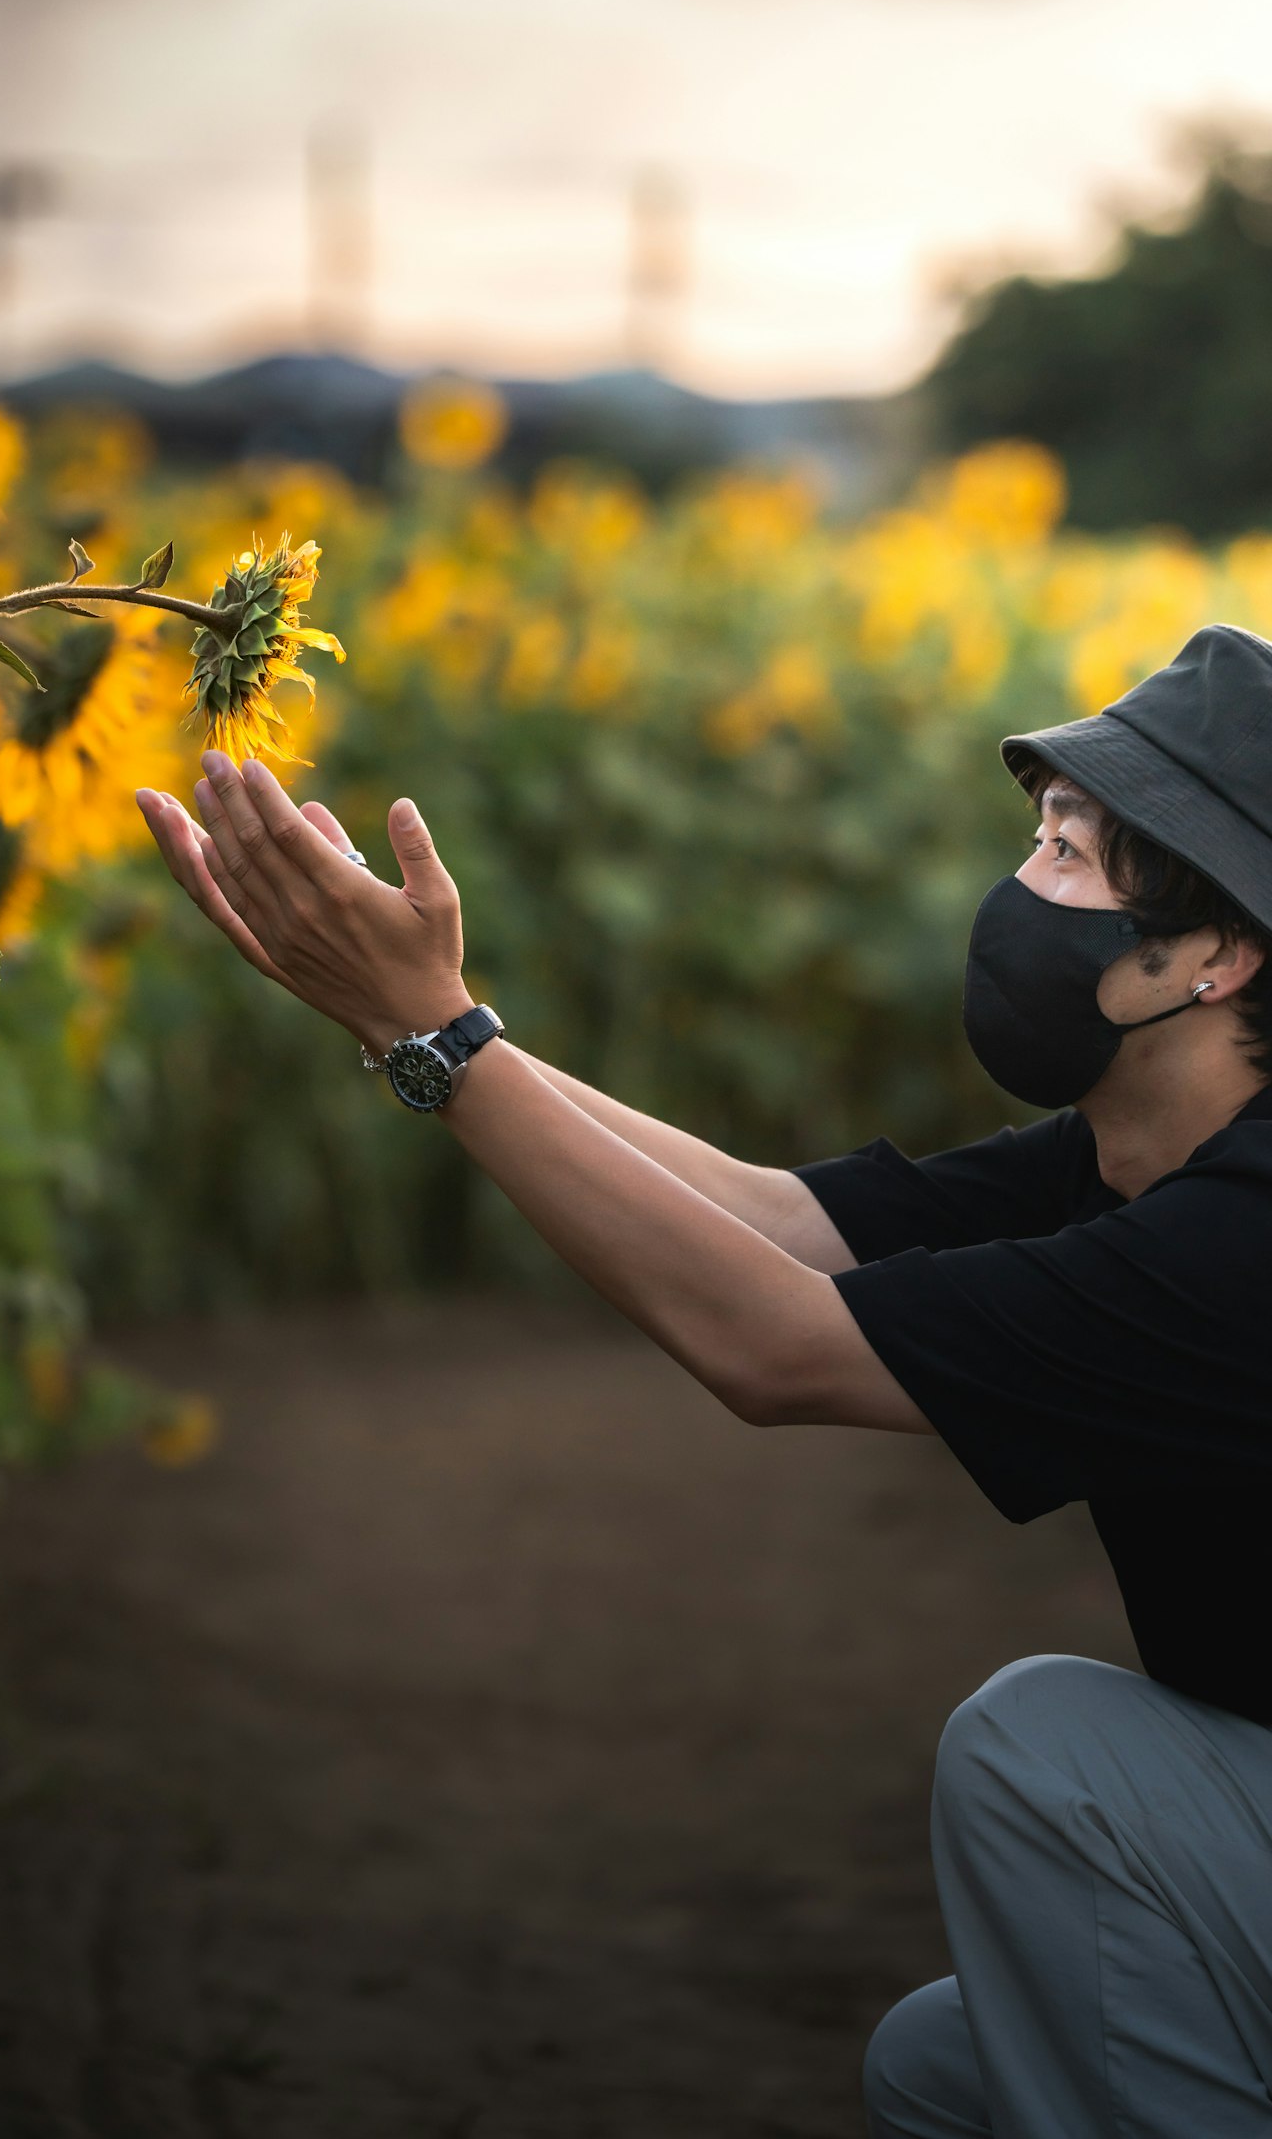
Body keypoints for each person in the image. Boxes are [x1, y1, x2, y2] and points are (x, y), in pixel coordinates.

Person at [136, 619, 1272, 2138]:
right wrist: (415, 1023)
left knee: (1051, 1753)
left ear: (1213, 954)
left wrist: (437, 1039)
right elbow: (785, 1226)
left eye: (1076, 854)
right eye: (1038, 833)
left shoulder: (1244, 1241)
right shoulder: (1125, 1152)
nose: (1021, 888)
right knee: (944, 2068)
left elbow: (779, 1345)